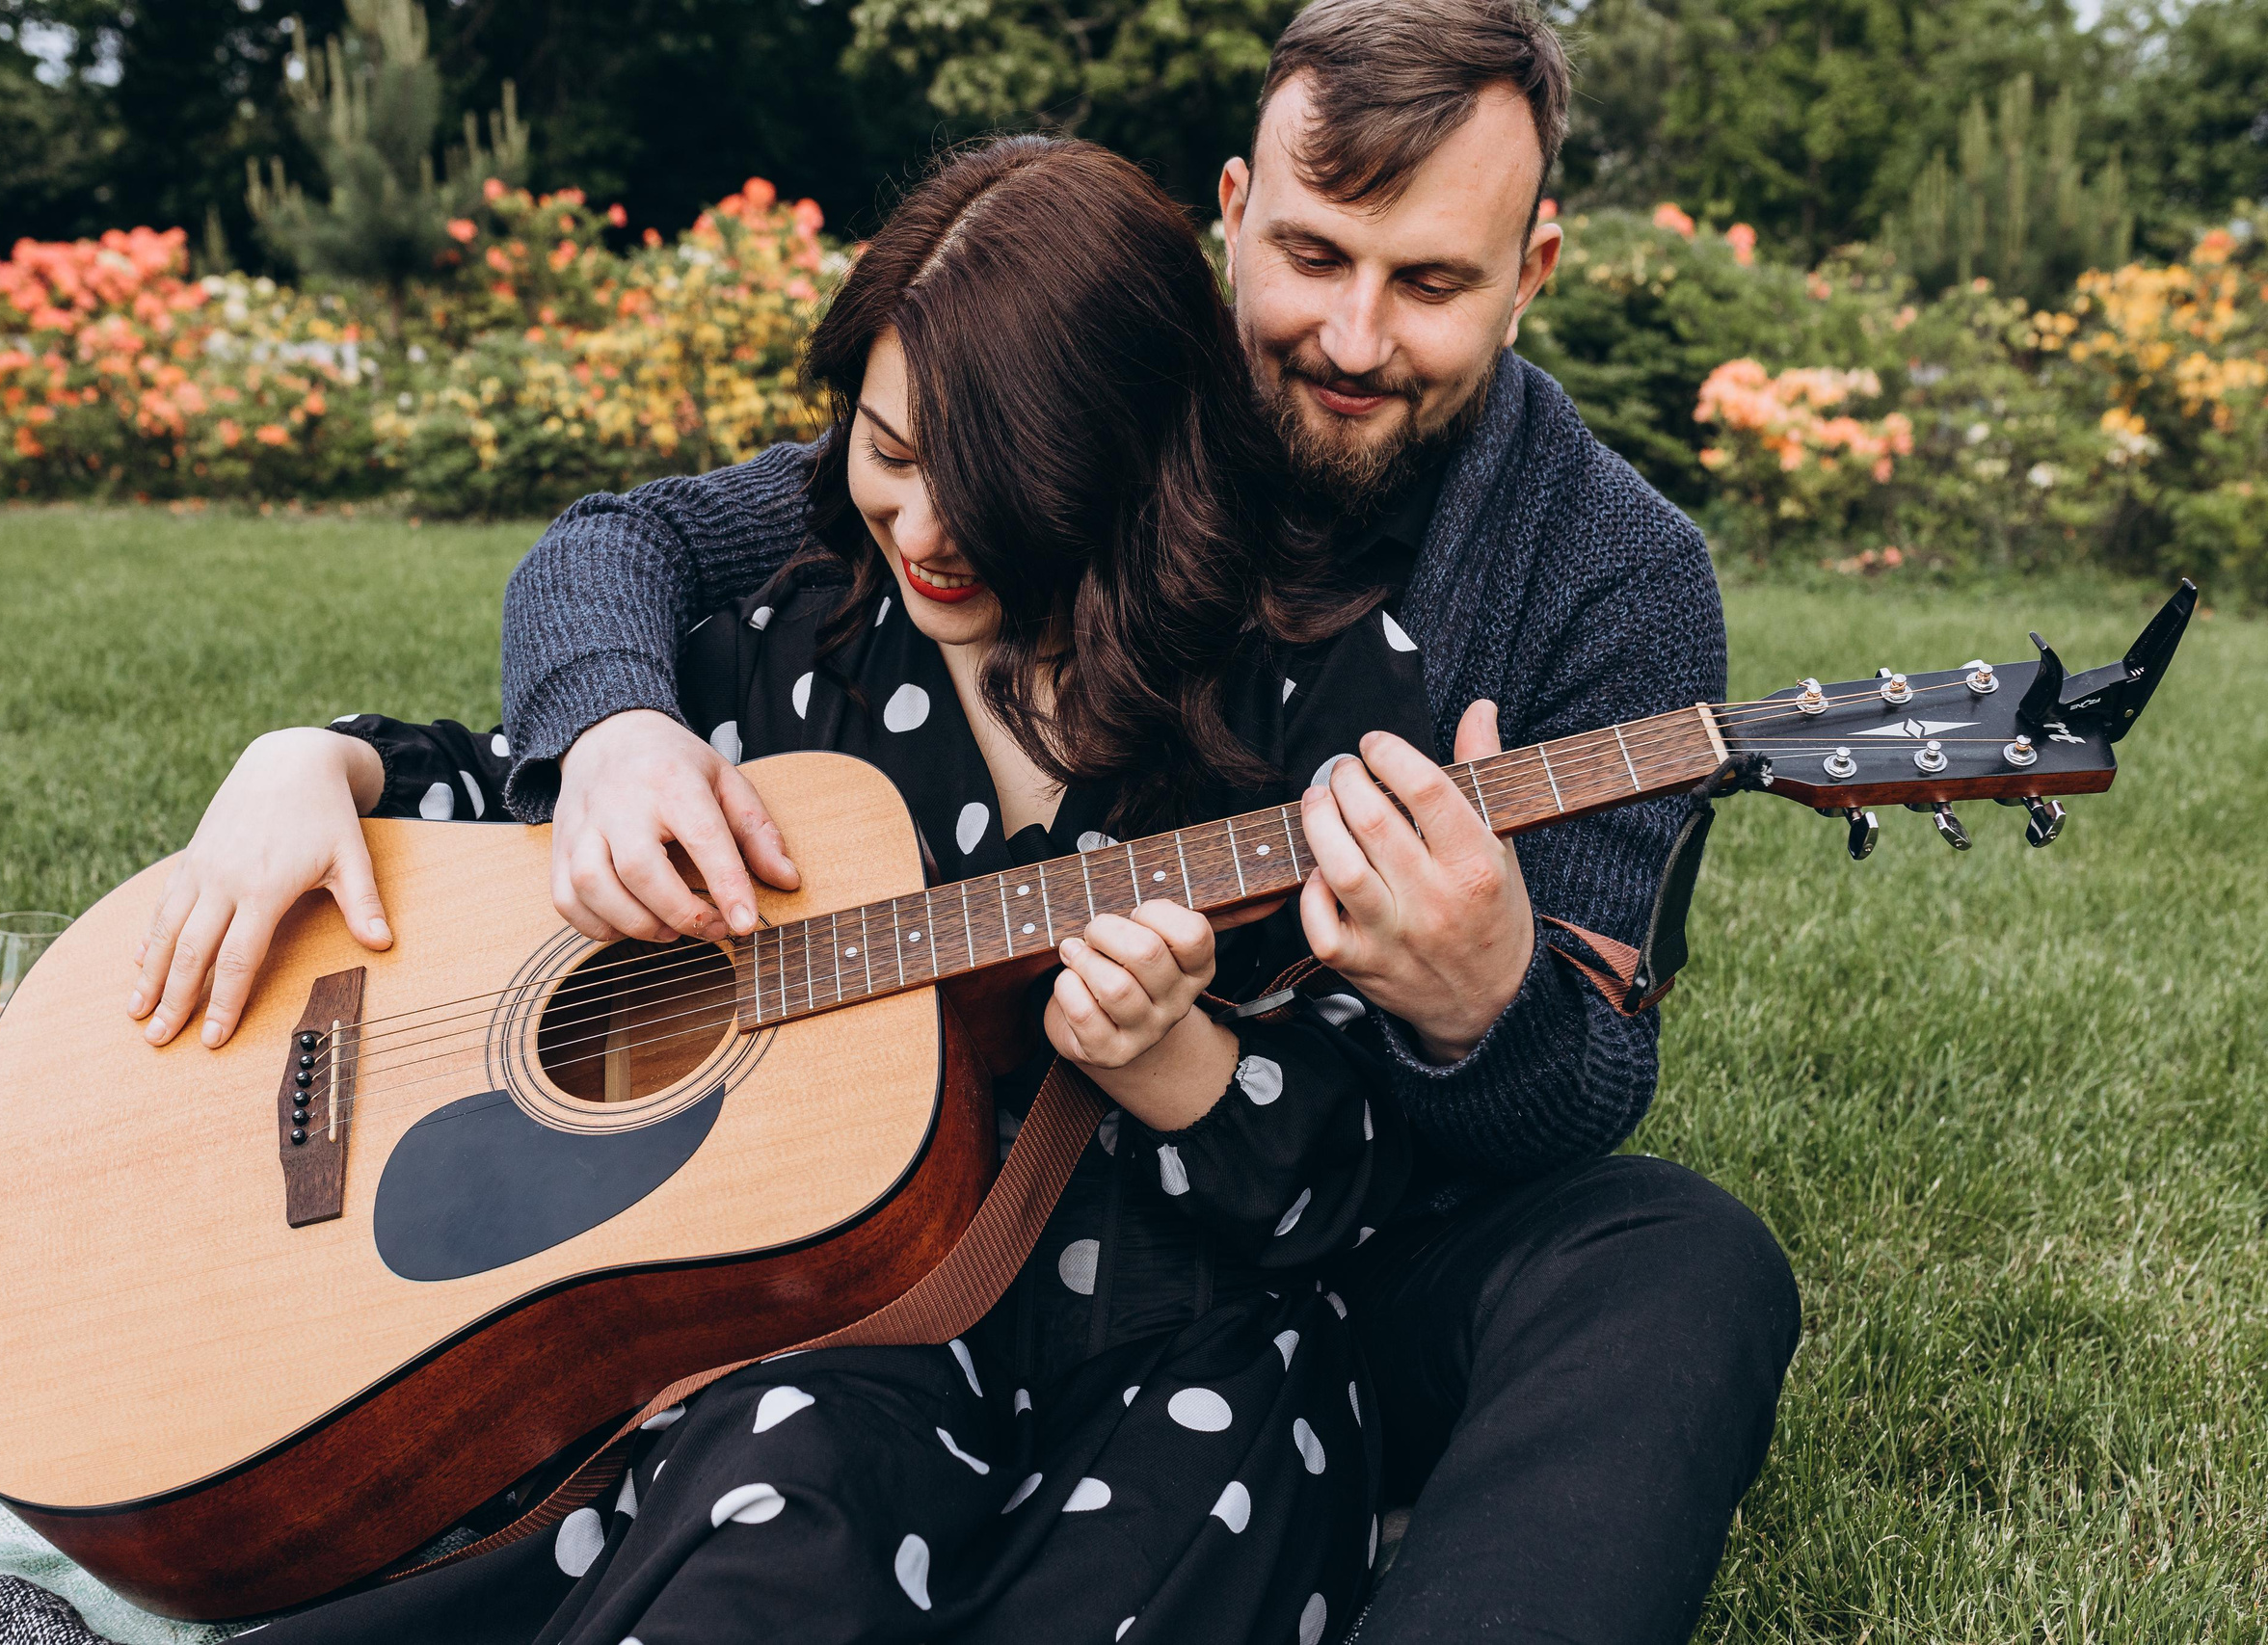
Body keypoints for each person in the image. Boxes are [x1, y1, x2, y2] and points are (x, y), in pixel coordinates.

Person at [416, 2, 1806, 1638]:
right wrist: (611, 730)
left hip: (1339, 1228)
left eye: (1430, 283)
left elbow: (1583, 1089)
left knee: (1681, 1260)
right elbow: (652, 542)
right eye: (1312, 255)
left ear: (1533, 269)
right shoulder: (1101, 384)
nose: (1353, 337)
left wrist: (1482, 1000)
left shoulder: (1620, 582)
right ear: (1234, 211)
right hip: (961, 1205)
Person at [135, 138, 1450, 1644]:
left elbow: (1376, 1165)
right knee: (779, 1509)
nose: (925, 530)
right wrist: (318, 760)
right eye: (888, 452)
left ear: (1139, 461)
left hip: (1162, 1341)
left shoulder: (1315, 688)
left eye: (997, 490)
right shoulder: (801, 642)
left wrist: (1181, 1063)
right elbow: (527, 822)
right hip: (839, 1337)